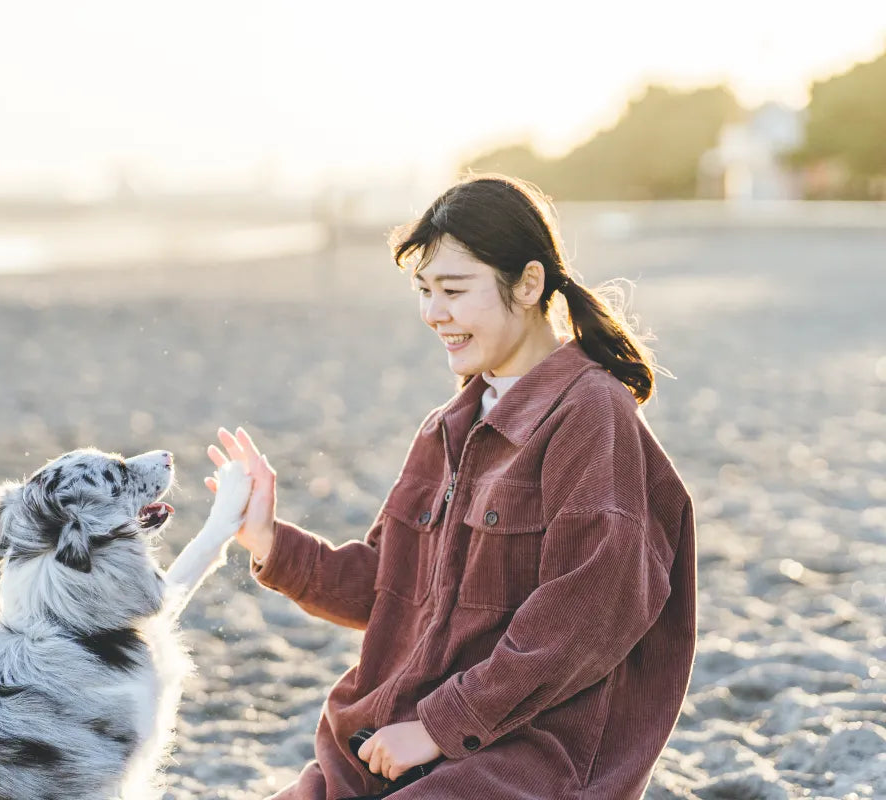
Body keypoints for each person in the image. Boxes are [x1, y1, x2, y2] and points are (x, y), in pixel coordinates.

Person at [205, 174, 696, 800]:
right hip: (381, 748)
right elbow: (388, 587)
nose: (435, 313)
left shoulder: (591, 414)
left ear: (528, 283)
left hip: (523, 761)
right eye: (425, 290)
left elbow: (593, 610)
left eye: (455, 290)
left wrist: (441, 727)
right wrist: (270, 541)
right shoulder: (448, 427)